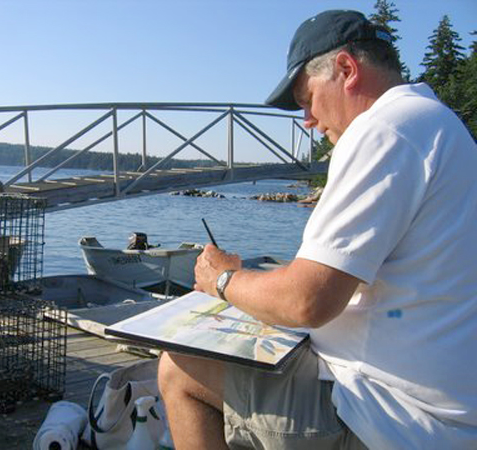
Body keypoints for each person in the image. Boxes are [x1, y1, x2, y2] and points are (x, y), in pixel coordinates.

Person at [158, 9, 477, 450]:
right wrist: (254, 282)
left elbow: (307, 301)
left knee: (180, 367)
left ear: (346, 70)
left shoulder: (384, 129)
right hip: (441, 413)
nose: (307, 119)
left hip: (391, 420)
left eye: (307, 98)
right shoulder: (436, 125)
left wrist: (223, 281)